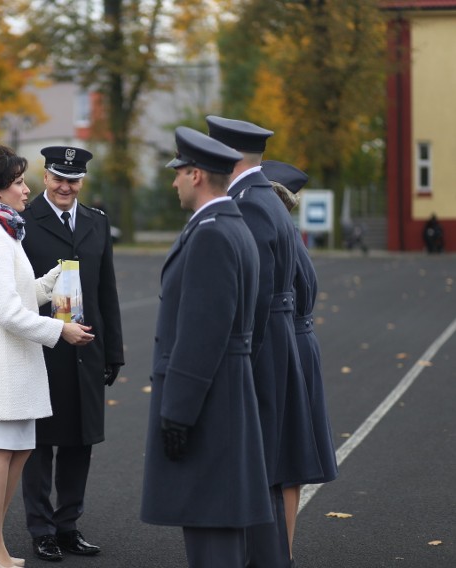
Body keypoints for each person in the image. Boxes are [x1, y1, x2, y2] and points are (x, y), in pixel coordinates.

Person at [0, 144, 95, 568]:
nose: (25, 188)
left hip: (13, 363)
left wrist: (51, 280)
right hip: (0, 365)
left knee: (17, 451)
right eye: (17, 181)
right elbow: (9, 313)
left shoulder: (4, 229)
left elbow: (19, 295)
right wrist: (61, 329)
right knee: (1, 452)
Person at [141, 126, 273, 568]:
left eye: (179, 172)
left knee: (211, 531)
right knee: (220, 527)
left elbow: (201, 335)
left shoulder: (213, 234)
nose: (174, 180)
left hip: (208, 405)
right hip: (226, 394)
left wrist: (177, 413)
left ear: (196, 175)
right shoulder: (231, 227)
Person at [207, 116, 322, 568]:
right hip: (285, 343)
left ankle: (272, 557)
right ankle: (278, 555)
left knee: (268, 464)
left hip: (267, 349)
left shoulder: (251, 204)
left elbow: (253, 294)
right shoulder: (262, 200)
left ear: (229, 159)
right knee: (281, 462)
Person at [20, 146, 124, 561]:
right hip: (42, 346)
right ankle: (41, 529)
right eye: (59, 178)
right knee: (41, 443)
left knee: (81, 441)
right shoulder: (24, 223)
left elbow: (106, 291)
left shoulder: (97, 222)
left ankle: (68, 526)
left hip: (86, 348)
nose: (66, 187)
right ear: (44, 177)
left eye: (74, 179)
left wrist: (112, 350)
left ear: (82, 181)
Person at [262, 160, 339, 566]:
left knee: (284, 460)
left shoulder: (278, 238)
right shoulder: (291, 235)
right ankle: (283, 551)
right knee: (289, 458)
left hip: (287, 345)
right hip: (299, 343)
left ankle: (281, 552)